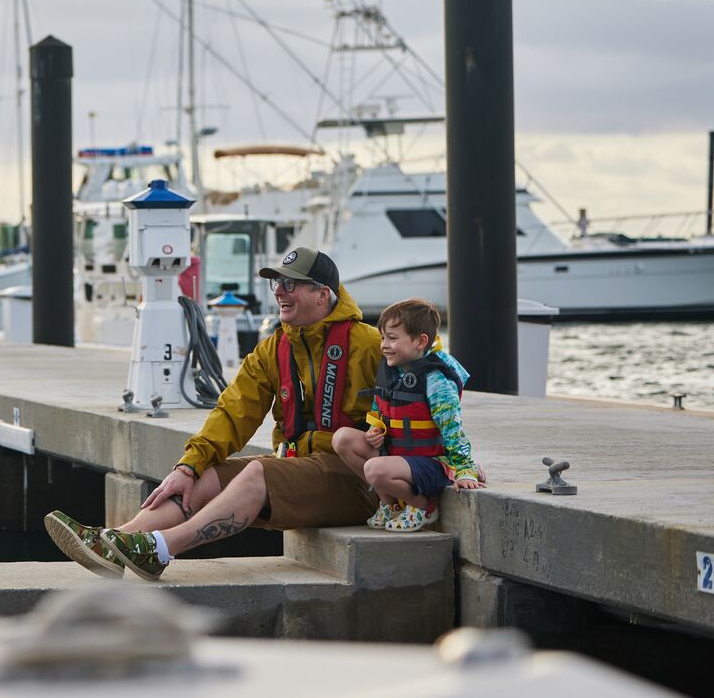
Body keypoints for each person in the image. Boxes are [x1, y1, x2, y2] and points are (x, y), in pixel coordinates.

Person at [45, 246, 381, 580]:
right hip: (301, 471)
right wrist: (188, 465)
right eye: (276, 283)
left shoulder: (367, 344)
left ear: (322, 294)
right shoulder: (272, 349)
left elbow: (416, 397)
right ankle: (114, 541)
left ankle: (160, 549)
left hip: (356, 484)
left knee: (255, 472)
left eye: (290, 284)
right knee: (204, 474)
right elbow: (232, 411)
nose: (279, 291)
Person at [331, 297, 483, 532]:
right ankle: (390, 505)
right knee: (342, 439)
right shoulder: (393, 371)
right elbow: (378, 411)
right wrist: (376, 431)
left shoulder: (436, 381)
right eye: (383, 337)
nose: (384, 345)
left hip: (433, 463)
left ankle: (423, 506)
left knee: (374, 468)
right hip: (400, 456)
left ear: (421, 341)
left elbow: (453, 429)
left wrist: (465, 469)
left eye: (392, 338)